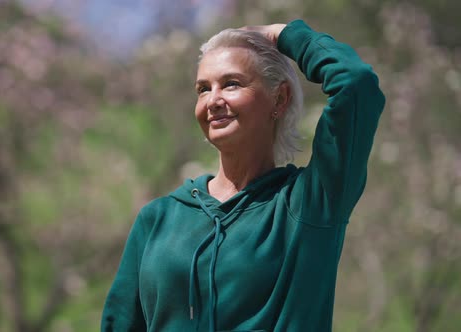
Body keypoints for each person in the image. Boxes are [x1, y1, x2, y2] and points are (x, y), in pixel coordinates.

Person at [101, 19, 385, 332]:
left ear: (279, 98)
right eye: (203, 89)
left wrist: (284, 34)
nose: (213, 101)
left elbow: (356, 84)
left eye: (232, 83)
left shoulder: (311, 205)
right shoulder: (158, 219)